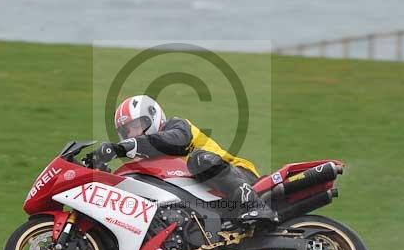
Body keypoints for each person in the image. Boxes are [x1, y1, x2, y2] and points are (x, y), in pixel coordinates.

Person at [99, 94, 277, 224]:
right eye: (127, 131)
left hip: (242, 176)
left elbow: (175, 141)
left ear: (153, 116)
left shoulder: (177, 126)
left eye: (137, 126)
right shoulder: (147, 160)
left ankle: (255, 205)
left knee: (198, 159)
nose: (133, 134)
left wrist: (125, 147)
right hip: (213, 201)